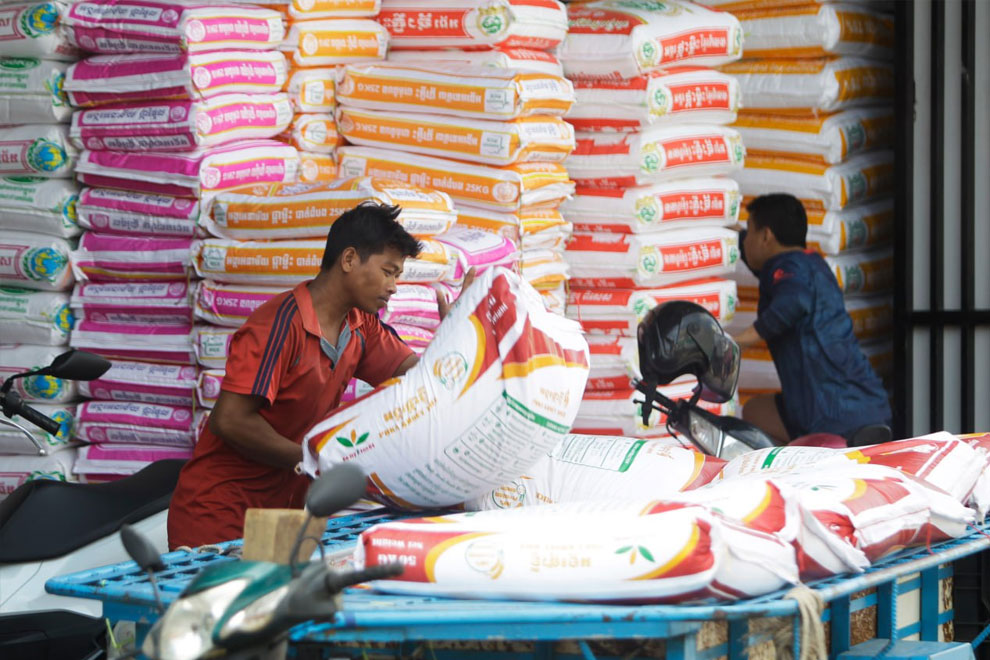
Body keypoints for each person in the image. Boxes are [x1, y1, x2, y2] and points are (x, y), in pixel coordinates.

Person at [167, 203, 471, 549]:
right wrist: (315, 460)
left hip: (282, 514)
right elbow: (230, 420)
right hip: (220, 513)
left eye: (397, 276)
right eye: (388, 272)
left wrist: (454, 338)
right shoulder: (279, 325)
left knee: (286, 587)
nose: (393, 287)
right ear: (349, 259)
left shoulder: (361, 326)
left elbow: (420, 380)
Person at [732, 193, 891, 442]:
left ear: (766, 236)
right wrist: (724, 228)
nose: (746, 238)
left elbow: (793, 302)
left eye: (750, 230)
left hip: (829, 410)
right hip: (864, 402)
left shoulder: (790, 270)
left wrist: (733, 343)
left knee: (754, 421)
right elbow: (772, 272)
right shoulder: (809, 263)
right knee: (754, 410)